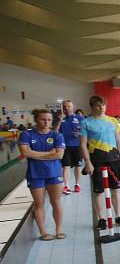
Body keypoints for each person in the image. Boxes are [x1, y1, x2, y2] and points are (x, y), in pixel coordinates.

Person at [80, 95, 120, 230]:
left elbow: (118, 141)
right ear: (92, 107)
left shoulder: (112, 121)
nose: (101, 107)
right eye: (98, 105)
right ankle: (101, 218)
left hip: (113, 158)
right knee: (98, 191)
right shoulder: (86, 123)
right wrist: (88, 162)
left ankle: (118, 216)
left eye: (103, 105)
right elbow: (83, 144)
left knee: (116, 189)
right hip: (97, 160)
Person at [18, 109, 65, 240]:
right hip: (35, 174)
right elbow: (26, 153)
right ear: (36, 120)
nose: (46, 122)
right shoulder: (26, 135)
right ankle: (43, 231)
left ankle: (59, 229)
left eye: (49, 120)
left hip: (54, 173)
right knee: (39, 203)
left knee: (56, 201)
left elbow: (59, 155)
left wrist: (36, 154)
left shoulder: (57, 136)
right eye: (43, 119)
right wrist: (48, 154)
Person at [58, 100, 83, 195]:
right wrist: (59, 121)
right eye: (64, 107)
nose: (66, 108)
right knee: (66, 166)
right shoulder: (60, 119)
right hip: (65, 146)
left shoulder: (79, 118)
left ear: (73, 107)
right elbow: (55, 132)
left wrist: (79, 133)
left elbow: (85, 132)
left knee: (78, 166)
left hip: (77, 145)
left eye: (68, 106)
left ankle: (77, 184)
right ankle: (66, 185)